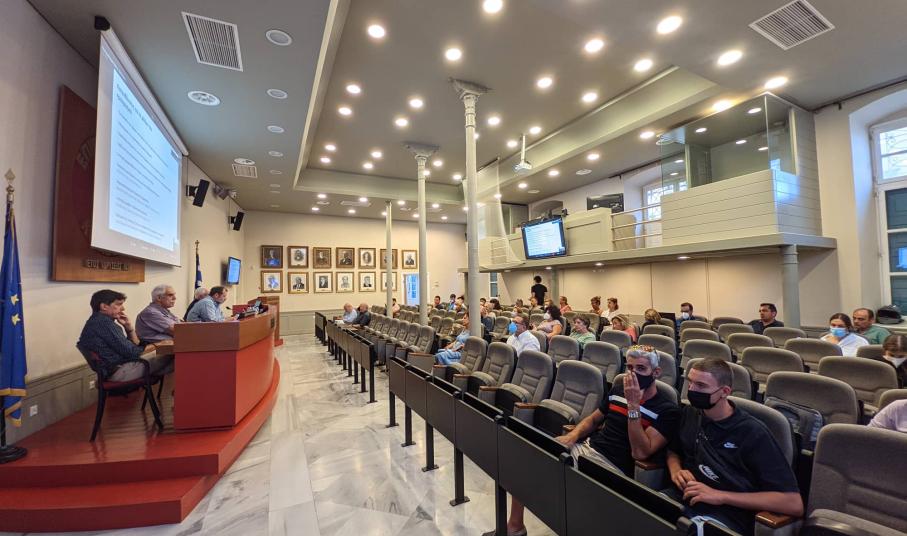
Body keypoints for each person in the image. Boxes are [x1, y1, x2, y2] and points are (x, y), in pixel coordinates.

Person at [486, 346, 679, 536]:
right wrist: (573, 436)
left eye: (641, 368)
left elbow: (640, 452)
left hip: (613, 469)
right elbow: (593, 420)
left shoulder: (667, 410)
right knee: (526, 460)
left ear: (656, 372)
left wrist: (633, 406)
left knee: (569, 492)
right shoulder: (618, 390)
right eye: (629, 367)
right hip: (586, 450)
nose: (633, 374)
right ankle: (515, 527)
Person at [667, 358, 803, 535]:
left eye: (701, 385)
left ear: (724, 392)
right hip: (684, 498)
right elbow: (673, 451)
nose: (692, 389)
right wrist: (676, 470)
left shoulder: (753, 432)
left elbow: (793, 503)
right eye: (690, 382)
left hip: (726, 514)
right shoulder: (691, 412)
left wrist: (720, 496)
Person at [78, 290, 174, 382]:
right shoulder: (103, 323)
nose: (123, 309)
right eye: (119, 304)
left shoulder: (98, 322)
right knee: (175, 354)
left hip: (120, 368)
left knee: (173, 355)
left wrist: (129, 329)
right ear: (104, 306)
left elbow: (133, 346)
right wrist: (159, 345)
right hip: (120, 371)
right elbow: (133, 353)